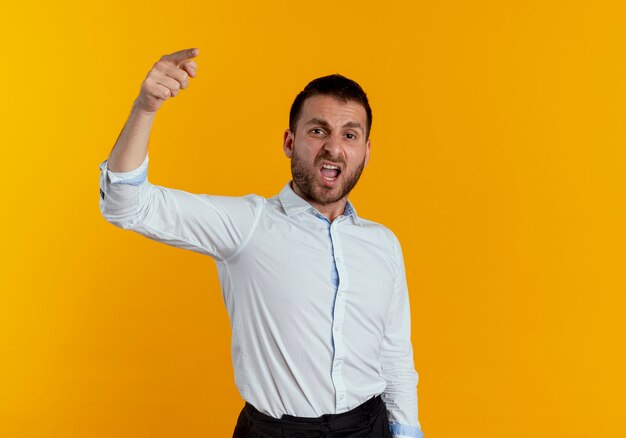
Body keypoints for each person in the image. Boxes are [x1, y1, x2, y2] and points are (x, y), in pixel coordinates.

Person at [98, 47, 425, 438]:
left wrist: (407, 430)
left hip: (368, 426)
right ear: (289, 142)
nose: (333, 147)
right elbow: (126, 204)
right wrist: (145, 108)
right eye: (317, 130)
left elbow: (395, 355)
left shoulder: (383, 245)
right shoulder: (247, 225)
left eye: (349, 134)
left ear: (366, 152)